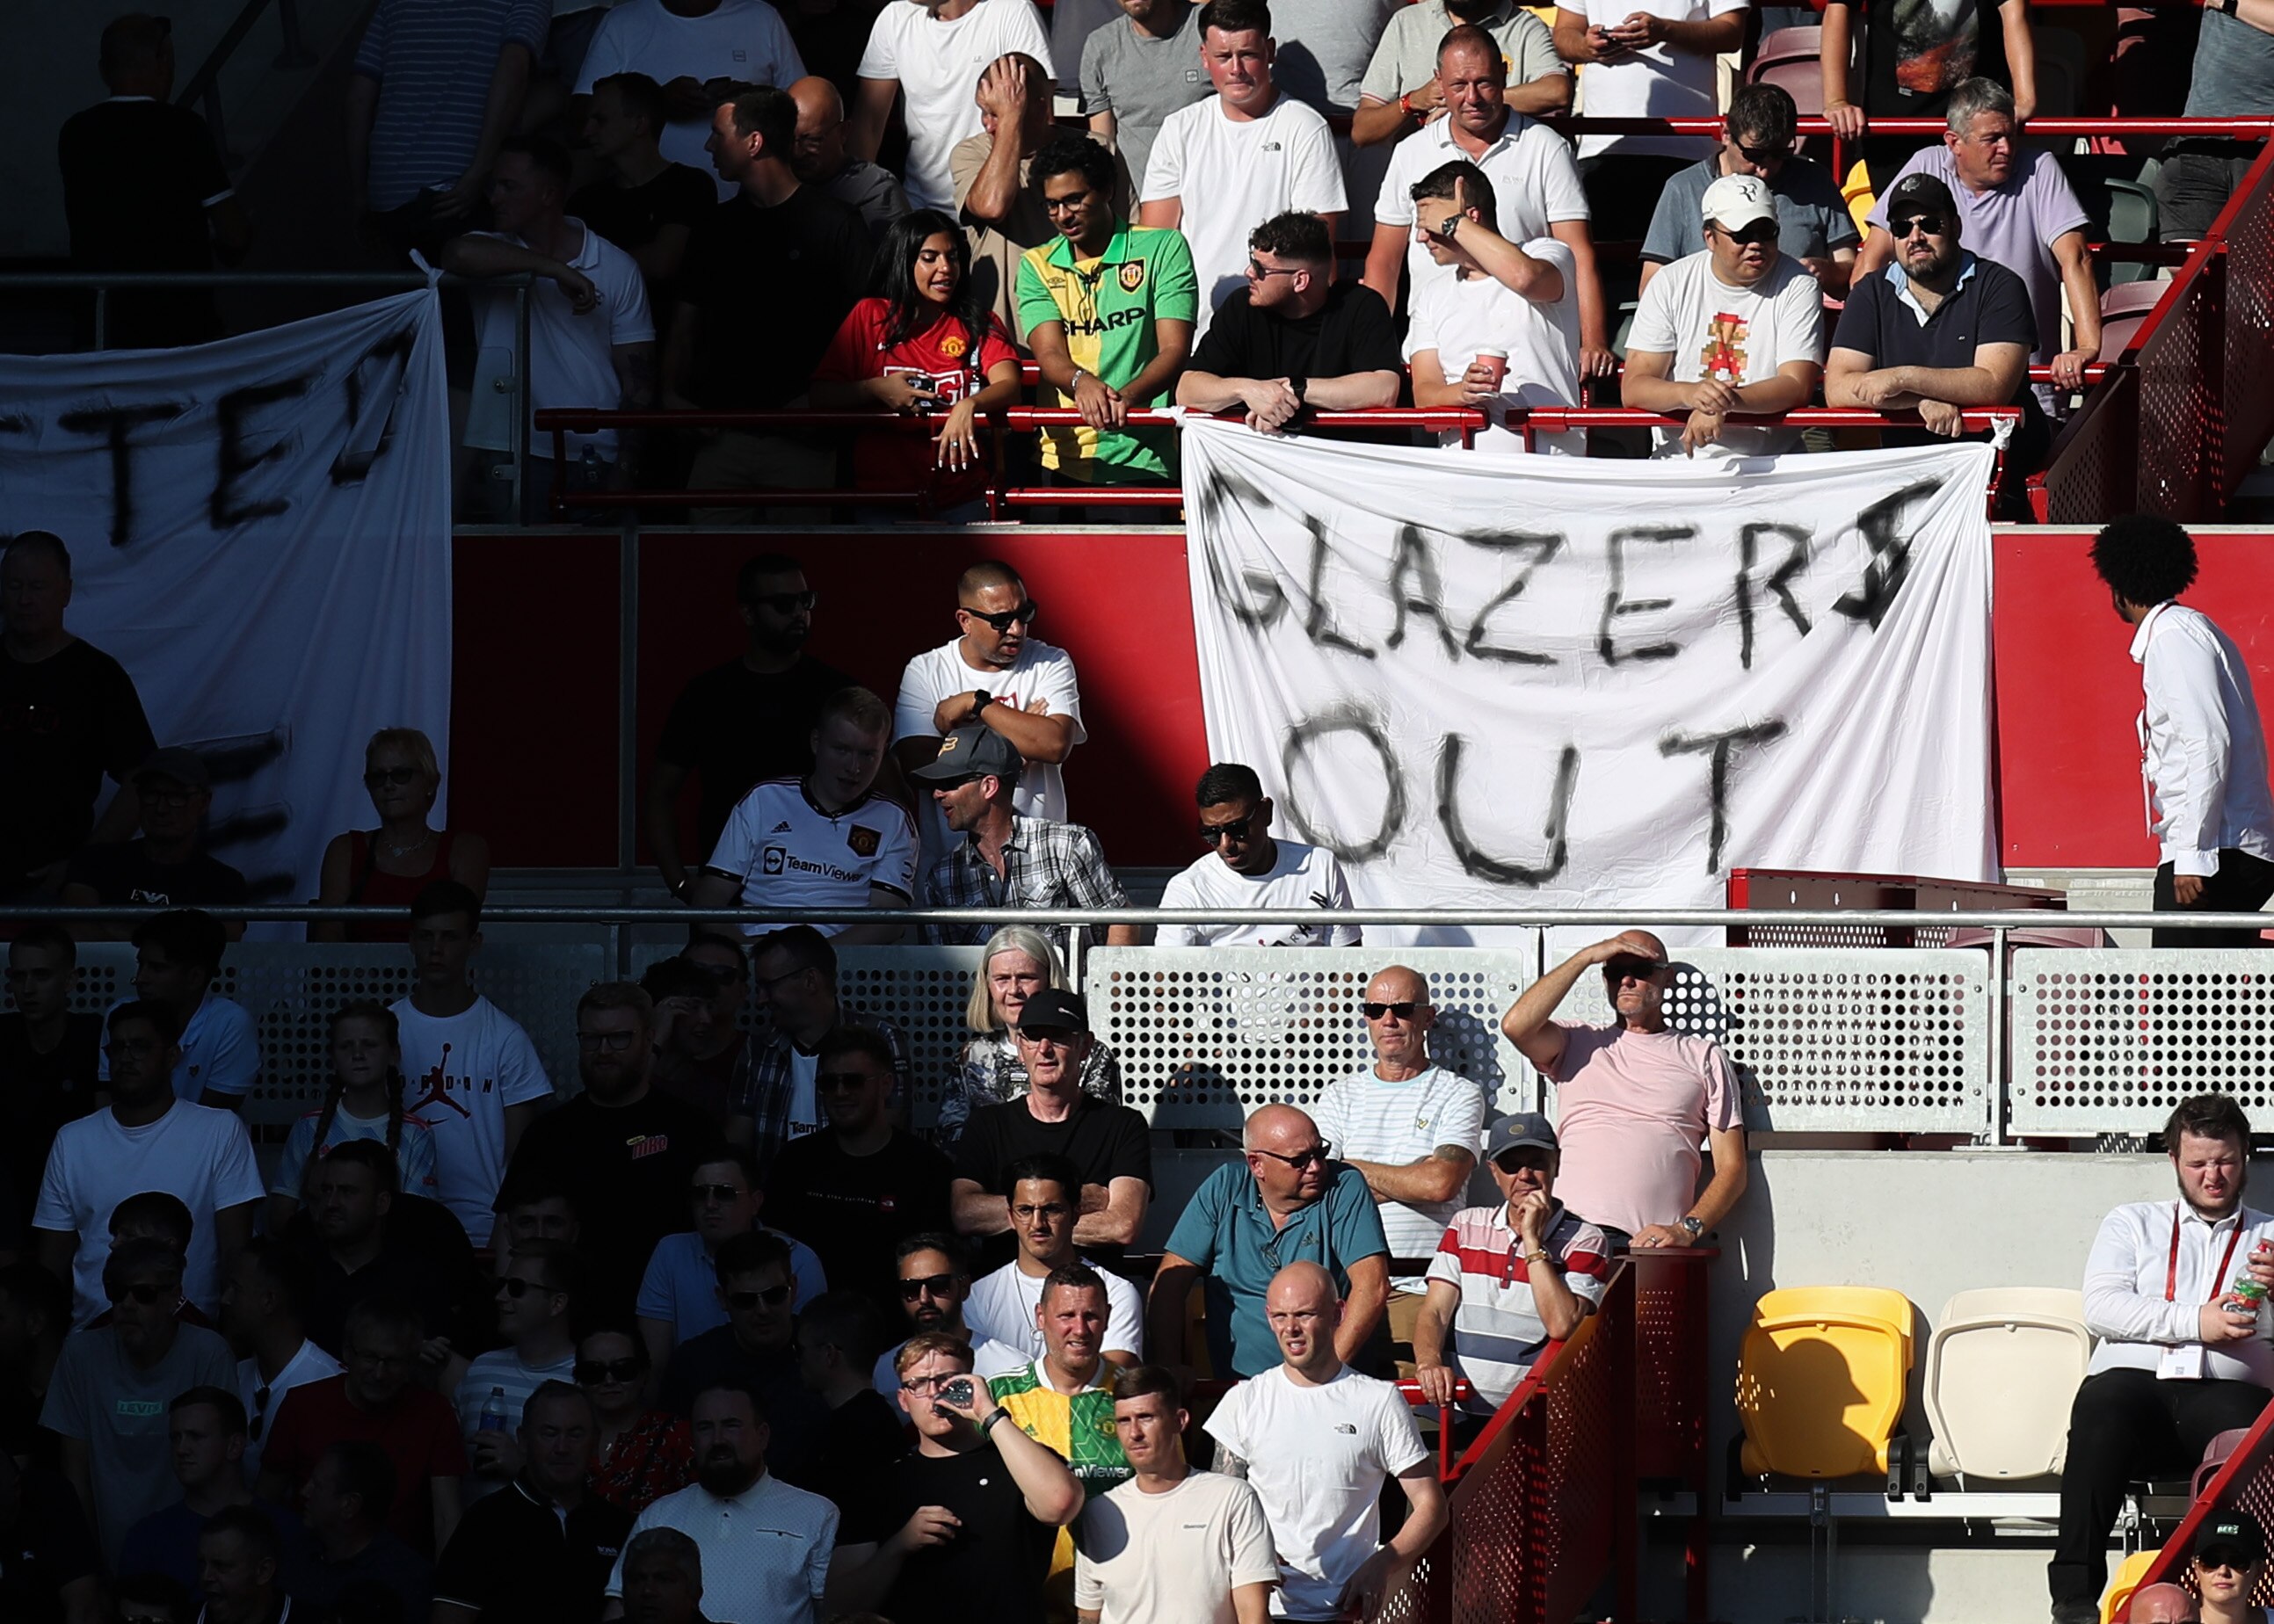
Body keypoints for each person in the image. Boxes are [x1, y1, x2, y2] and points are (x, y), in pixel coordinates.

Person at [2046, 1096, 2274, 1623]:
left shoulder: (2269, 1234)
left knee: (2253, 1437)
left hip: (2227, 1392)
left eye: (2226, 1161)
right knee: (2101, 1407)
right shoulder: (2132, 1223)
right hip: (2135, 1388)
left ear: (2246, 1159)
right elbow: (2101, 1307)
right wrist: (2199, 1322)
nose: (2212, 1176)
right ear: (2173, 1161)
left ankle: (2242, 1604)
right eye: (2197, 1163)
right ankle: (2074, 1600)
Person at [666, 87, 871, 520]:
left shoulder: (838, 225)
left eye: (718, 135)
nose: (708, 146)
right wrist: (672, 398)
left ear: (754, 142)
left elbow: (866, 333)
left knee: (799, 570)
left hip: (804, 441)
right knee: (709, 571)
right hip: (720, 438)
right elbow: (685, 323)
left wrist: (822, 408)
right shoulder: (715, 229)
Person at [1205, 1263, 1447, 1621]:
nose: (1291, 1329)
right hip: (1262, 1611)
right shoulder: (1244, 1401)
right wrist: (1250, 1555)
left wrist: (1383, 1563)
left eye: (1305, 1314)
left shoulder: (1378, 1401)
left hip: (1349, 1611)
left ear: (1338, 1313)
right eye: (1281, 1316)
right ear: (1268, 1317)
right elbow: (1218, 1507)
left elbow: (1432, 1506)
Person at [1361, 26, 1604, 375]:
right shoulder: (1410, 152)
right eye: (1459, 85)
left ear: (1505, 76)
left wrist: (1593, 342)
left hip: (1525, 352)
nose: (1472, 97)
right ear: (1438, 83)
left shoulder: (1546, 148)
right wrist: (1372, 353)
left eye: (1484, 82)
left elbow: (1577, 252)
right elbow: (1384, 260)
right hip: (1435, 352)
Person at [437, 137, 657, 518]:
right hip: (512, 453)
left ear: (548, 195)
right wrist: (552, 269)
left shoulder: (616, 266)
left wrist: (624, 468)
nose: (494, 198)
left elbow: (638, 379)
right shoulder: (488, 248)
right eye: (493, 186)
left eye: (509, 187)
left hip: (594, 454)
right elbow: (457, 254)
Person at [1501, 930, 1747, 1249]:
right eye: (1616, 972)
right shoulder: (1578, 1041)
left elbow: (1733, 1167)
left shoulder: (1703, 1056)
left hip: (1651, 1245)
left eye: (1642, 970)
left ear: (1666, 978)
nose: (1627, 981)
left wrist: (1687, 1229)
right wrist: (1588, 955)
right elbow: (1516, 1026)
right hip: (1568, 1240)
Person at [2094, 515, 2274, 942]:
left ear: (2118, 587)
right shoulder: (2186, 630)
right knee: (2210, 1001)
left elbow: (2208, 744)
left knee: (2183, 998)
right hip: (2224, 847)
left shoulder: (2174, 637)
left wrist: (2192, 855)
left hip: (2218, 852)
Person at [825, 1335, 1085, 1623]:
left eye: (949, 1381)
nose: (936, 1393)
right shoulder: (881, 1484)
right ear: (904, 1400)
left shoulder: (1017, 1464)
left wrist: (988, 1412)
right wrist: (900, 1546)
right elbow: (838, 1604)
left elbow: (1062, 1502)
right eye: (919, 1383)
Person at [35, 1000, 262, 1325]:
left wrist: (228, 1344)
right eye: (117, 1047)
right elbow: (52, 1265)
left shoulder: (219, 1131)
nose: (126, 1057)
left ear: (172, 1056)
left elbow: (235, 1253)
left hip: (190, 1337)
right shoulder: (73, 1140)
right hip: (95, 1338)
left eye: (140, 1047)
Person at [502, 983, 723, 1317]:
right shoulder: (548, 1134)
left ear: (649, 1040)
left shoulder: (692, 1128)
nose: (603, 1051)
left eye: (619, 1038)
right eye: (592, 1039)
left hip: (669, 1312)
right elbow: (508, 1233)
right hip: (567, 1318)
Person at [648, 553, 856, 902]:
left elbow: (884, 790)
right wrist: (682, 886)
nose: (798, 613)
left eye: (805, 601)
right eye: (782, 603)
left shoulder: (836, 693)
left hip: (818, 890)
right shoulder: (706, 694)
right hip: (727, 889)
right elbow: (659, 796)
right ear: (747, 613)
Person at [1137, 0, 1345, 335]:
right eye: (1223, 57)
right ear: (1204, 57)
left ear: (1270, 51)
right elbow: (1158, 248)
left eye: (1247, 54)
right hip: (1193, 333)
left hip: (1280, 335)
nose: (1236, 68)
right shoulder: (1178, 129)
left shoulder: (1306, 127)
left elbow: (1316, 253)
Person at [1310, 966, 1486, 1357]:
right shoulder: (1338, 1097)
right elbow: (1316, 1188)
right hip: (1345, 1291)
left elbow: (1440, 1183)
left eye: (1402, 1009)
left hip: (1422, 1289)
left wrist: (1349, 1171)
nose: (1388, 1020)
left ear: (1427, 1017)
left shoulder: (1459, 1094)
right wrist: (1412, 1173)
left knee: (1416, 1414)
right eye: (1375, 1009)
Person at [808, 208, 1025, 522]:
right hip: (881, 501)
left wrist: (969, 405)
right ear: (903, 261)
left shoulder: (979, 321)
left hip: (962, 498)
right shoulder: (869, 315)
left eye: (952, 257)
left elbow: (1010, 385)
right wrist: (876, 389)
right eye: (929, 257)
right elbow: (821, 395)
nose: (945, 268)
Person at [1149, 1106, 1391, 1380]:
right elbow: (1170, 1282)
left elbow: (1373, 1285)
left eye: (1319, 1153)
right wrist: (1167, 1369)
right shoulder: (1223, 1188)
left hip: (1332, 1388)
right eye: (1299, 1160)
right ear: (1256, 1164)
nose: (1315, 1167)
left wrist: (1322, 1376)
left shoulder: (1343, 1185)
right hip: (1241, 1394)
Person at [1017, 133, 1196, 495]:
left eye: (1074, 200)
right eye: (1051, 205)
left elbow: (1174, 351)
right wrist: (1080, 382)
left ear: (1107, 190)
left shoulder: (1164, 248)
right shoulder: (1035, 264)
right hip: (1063, 459)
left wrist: (1125, 401)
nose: (1062, 216)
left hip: (1147, 456)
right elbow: (1049, 354)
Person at [57, 16, 251, 351]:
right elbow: (233, 231)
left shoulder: (76, 133)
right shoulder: (184, 130)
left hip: (103, 325)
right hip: (180, 324)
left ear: (104, 70)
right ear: (163, 63)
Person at [43, 1239, 236, 1568]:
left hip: (190, 1559)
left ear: (175, 1296)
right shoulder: (81, 1355)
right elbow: (75, 1471)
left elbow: (221, 1470)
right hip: (104, 1556)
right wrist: (89, 1565)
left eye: (144, 1294)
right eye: (118, 1292)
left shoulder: (208, 1352)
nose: (127, 1304)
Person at [1826, 170, 2045, 457]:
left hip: (2002, 471)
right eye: (1902, 228)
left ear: (1955, 227)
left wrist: (1903, 377)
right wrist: (1918, 401)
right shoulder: (1870, 292)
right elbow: (1838, 389)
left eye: (1929, 224)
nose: (1915, 237)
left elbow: (1994, 385)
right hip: (1908, 472)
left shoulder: (2001, 286)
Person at [387, 882, 553, 1246]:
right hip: (395, 1226)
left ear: (473, 943)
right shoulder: (383, 1033)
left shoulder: (506, 1038)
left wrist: (503, 1228)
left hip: (482, 1228)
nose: (436, 949)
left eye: (449, 937)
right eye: (427, 937)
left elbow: (520, 1155)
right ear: (412, 941)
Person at [1413, 1113, 1608, 1418]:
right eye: (1511, 1165)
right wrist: (1428, 1364)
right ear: (1493, 1171)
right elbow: (1435, 1311)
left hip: (1532, 1419)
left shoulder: (1586, 1239)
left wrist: (1532, 1241)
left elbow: (1561, 1324)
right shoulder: (1465, 1225)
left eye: (1536, 1162)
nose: (1525, 1175)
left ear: (1556, 1163)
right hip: (1455, 1410)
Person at [1621, 171, 1825, 460]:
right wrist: (1692, 395)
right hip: (1678, 462)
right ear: (1710, 237)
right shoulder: (1670, 281)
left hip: (1773, 464)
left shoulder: (1799, 284)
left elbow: (1796, 385)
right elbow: (1635, 386)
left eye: (1766, 232)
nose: (1756, 244)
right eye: (1742, 234)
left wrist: (1721, 403)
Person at [687, 686, 918, 941]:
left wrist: (813, 961)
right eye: (842, 749)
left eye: (867, 754)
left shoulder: (894, 820)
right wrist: (752, 957)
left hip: (844, 968)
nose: (854, 767)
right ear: (816, 742)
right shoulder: (764, 800)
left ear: (883, 753)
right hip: (758, 959)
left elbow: (889, 921)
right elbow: (709, 903)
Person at [892, 561, 1088, 857]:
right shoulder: (926, 671)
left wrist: (979, 703)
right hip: (953, 864)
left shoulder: (1051, 661)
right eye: (1001, 620)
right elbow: (919, 768)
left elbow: (1055, 744)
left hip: (1039, 861)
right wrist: (1019, 750)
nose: (1017, 629)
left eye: (1025, 613)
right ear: (965, 620)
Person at [0, 530, 155, 901]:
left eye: (37, 587)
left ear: (66, 592)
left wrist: (84, 862)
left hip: (48, 885)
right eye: (14, 586)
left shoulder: (96, 676)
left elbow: (142, 778)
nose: (24, 600)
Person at [606, 1380, 839, 1623]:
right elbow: (621, 1605)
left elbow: (831, 1614)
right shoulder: (659, 1516)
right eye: (705, 1427)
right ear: (692, 1438)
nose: (718, 1440)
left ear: (762, 1436)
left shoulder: (815, 1514)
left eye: (731, 1426)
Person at [949, 990, 1152, 1267]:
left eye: (1058, 1036)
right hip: (1004, 1298)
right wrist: (1074, 1202)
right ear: (1020, 1048)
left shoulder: (1123, 1125)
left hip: (1093, 1296)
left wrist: (1016, 1217)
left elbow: (1122, 1225)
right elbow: (965, 1213)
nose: (1044, 1049)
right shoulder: (987, 1125)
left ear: (1085, 1047)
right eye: (1033, 1036)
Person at [766, 1027, 955, 1319]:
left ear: (887, 1085)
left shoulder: (926, 1168)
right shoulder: (794, 1162)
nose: (840, 1093)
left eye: (853, 1081)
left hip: (894, 1340)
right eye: (829, 1083)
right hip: (807, 1334)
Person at [257, 1294, 468, 1555]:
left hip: (399, 1575)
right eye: (370, 1357)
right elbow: (266, 1500)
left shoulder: (435, 1413)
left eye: (393, 1362)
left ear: (412, 1362)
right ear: (347, 1352)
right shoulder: (302, 1405)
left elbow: (448, 1518)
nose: (379, 1374)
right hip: (309, 1563)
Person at [1074, 1364, 1279, 1624]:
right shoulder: (1099, 1512)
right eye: (1124, 1421)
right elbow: (1088, 1616)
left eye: (1146, 1417)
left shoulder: (1232, 1498)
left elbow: (1253, 1615)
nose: (1134, 1433)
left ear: (1179, 1420)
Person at [1402, 161, 1581, 453]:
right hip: (1466, 473)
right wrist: (1462, 392)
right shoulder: (1431, 296)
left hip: (1548, 469)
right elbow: (1424, 395)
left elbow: (1526, 279)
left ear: (1470, 217)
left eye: (1431, 227)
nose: (1421, 238)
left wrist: (1456, 225)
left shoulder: (1547, 252)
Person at [346, 0, 550, 250]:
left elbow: (358, 98)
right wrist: (480, 170)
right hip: (461, 192)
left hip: (388, 190)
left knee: (413, 286)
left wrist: (361, 195)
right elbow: (514, 69)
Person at [988, 1265, 1133, 1613]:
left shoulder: (1135, 1396)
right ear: (1041, 1316)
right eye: (1066, 1315)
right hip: (1022, 1600)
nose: (1079, 1329)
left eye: (1091, 1316)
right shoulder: (999, 1397)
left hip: (1118, 1600)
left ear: (1109, 1317)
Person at [1176, 211, 1402, 432]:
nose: (1248, 273)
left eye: (1261, 269)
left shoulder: (1361, 306)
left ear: (1300, 281)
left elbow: (1384, 389)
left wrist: (1293, 390)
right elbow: (1188, 388)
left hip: (1343, 458)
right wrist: (1246, 390)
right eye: (1252, 262)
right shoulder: (1241, 307)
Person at [917, 729, 1140, 950]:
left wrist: (1101, 985)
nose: (937, 794)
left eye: (949, 783)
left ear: (989, 786)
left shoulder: (1067, 845)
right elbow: (943, 974)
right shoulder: (941, 876)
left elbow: (1120, 921)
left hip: (1067, 987)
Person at [432, 1381, 632, 1624]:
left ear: (595, 1442)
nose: (562, 1447)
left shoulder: (616, 1526)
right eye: (549, 1433)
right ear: (523, 1440)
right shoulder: (486, 1522)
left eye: (575, 1434)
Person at [1639, 82, 1859, 296]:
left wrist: (1826, 271)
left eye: (1780, 155)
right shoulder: (1683, 188)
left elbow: (1850, 268)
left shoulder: (1814, 179)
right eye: (1754, 155)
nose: (1764, 169)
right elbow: (1651, 287)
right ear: (1726, 134)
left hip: (1791, 320)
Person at [1551, 0, 1745, 243]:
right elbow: (1563, 35)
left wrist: (1666, 30)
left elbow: (1732, 33)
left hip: (1686, 149)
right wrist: (1586, 46)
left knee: (1683, 269)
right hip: (1604, 147)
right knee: (1613, 268)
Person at [573, 0, 809, 199]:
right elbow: (579, 117)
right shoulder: (624, 22)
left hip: (751, 209)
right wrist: (657, 102)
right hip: (647, 208)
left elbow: (803, 109)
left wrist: (751, 101)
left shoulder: (761, 18)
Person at [730, 926, 913, 1168]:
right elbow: (736, 1150)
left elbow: (889, 1140)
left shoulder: (881, 1037)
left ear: (810, 981)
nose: (761, 999)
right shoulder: (758, 1050)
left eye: (769, 986)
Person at [853, 0, 1058, 213]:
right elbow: (868, 125)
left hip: (1002, 209)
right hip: (921, 211)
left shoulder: (1013, 11)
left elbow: (1041, 119)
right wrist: (856, 205)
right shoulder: (894, 17)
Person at [655, 1234, 830, 1483]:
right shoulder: (692, 1364)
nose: (762, 1310)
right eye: (746, 1300)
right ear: (723, 1299)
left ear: (794, 1288)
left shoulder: (826, 1357)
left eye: (774, 1295)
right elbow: (669, 1459)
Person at [292, 1140, 485, 1362]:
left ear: (382, 1203)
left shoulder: (418, 1279)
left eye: (347, 1192)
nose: (331, 1202)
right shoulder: (296, 1271)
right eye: (326, 1190)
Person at [1820, 0, 2038, 194]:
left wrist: (2025, 98)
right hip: (1894, 129)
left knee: (1978, 227)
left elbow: (2015, 11)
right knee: (1905, 228)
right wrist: (1837, 101)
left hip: (1974, 124)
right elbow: (1838, 9)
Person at [636, 1149, 827, 1366]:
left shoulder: (800, 1261)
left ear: (756, 1202)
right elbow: (655, 1365)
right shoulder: (670, 1253)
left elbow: (812, 1361)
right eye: (700, 1194)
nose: (710, 1204)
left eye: (724, 1193)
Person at [943, 927, 1127, 1147]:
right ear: (987, 986)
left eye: (1025, 978)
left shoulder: (1090, 1054)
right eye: (1002, 979)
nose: (1013, 990)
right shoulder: (971, 1056)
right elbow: (951, 1139)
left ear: (1049, 979)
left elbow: (1101, 1137)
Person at [956, 54, 1097, 339]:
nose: (988, 125)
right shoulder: (971, 154)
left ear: (1041, 108)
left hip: (1088, 329)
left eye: (999, 112)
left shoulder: (1096, 152)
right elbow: (992, 206)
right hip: (1004, 344)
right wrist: (1010, 119)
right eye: (985, 111)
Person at [268, 1004, 440, 1234]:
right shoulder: (307, 1127)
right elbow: (282, 1215)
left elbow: (419, 1223)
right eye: (346, 1046)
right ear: (333, 1057)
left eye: (369, 1044)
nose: (358, 1054)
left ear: (394, 1054)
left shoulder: (417, 1134)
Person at [313, 730, 491, 944]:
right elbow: (328, 937)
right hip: (356, 975)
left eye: (401, 774)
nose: (388, 785)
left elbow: (457, 938)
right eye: (378, 777)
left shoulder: (465, 851)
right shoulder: (345, 850)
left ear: (430, 782)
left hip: (435, 976)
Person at [118, 1388, 304, 1592]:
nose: (181, 1449)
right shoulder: (148, 1537)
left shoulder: (284, 1530)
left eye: (195, 1436)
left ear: (234, 1446)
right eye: (175, 1438)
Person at [966, 1155, 1144, 1366]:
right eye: (1025, 1210)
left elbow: (1112, 1382)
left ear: (1075, 1214)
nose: (1038, 1223)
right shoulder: (976, 1298)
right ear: (1010, 1217)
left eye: (1051, 1210)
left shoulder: (1116, 1292)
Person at [570, 72, 720, 318]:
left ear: (639, 123)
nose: (587, 131)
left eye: (600, 120)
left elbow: (662, 263)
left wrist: (586, 268)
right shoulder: (585, 201)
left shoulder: (688, 186)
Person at [1157, 764, 1356, 947]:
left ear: (1265, 812)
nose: (1225, 844)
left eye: (1237, 829)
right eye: (1211, 834)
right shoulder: (1188, 889)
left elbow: (1349, 965)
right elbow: (1166, 978)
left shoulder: (1320, 866)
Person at [59, 749, 249, 932]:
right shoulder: (93, 862)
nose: (161, 808)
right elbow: (77, 929)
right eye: (152, 794)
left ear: (204, 802)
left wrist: (113, 928)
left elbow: (221, 946)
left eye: (176, 796)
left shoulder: (224, 883)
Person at [455, 1242, 582, 1502]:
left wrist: (522, 1470)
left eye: (516, 1288)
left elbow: (597, 1489)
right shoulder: (481, 1369)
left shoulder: (587, 1378)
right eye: (501, 1285)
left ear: (557, 1303)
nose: (500, 1297)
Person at [1353, 0, 1567, 149]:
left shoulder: (1525, 27)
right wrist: (1412, 101)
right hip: (1422, 181)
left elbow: (1557, 91)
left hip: (1503, 174)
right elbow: (1363, 131)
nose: (1471, 96)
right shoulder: (1406, 23)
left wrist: (1461, 103)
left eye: (1485, 81)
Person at [101, 909, 258, 1110]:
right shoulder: (123, 1015)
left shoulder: (229, 1024)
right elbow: (109, 1105)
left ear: (194, 978)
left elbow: (213, 1122)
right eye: (141, 965)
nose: (141, 978)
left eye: (157, 968)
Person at [0, 924, 102, 1231]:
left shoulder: (95, 1037)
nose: (28, 988)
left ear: (70, 980)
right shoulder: (4, 1037)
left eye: (41, 975)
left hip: (79, 1188)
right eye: (19, 976)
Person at [220, 1240, 341, 1483]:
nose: (225, 1299)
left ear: (269, 1301)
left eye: (236, 1288)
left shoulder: (329, 1382)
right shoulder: (233, 1374)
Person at [2157, 5, 2274, 246]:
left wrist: (2228, 2)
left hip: (2264, 139)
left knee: (2257, 268)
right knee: (2184, 260)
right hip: (2199, 132)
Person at [1079, 0, 1212, 193]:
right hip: (1142, 205)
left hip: (1212, 192)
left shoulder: (1212, 27)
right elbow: (1104, 145)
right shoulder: (1100, 46)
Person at [794, 1290, 908, 1514]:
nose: (797, 1359)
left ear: (829, 1354)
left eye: (800, 1349)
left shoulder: (850, 1436)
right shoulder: (881, 1421)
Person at [873, 1234, 1032, 1394]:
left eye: (939, 1285)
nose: (924, 1298)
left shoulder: (1013, 1369)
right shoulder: (885, 1372)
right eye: (911, 1289)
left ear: (964, 1287)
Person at [296, 1441, 433, 1621]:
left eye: (317, 1486)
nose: (304, 1491)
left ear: (349, 1505)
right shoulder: (296, 1551)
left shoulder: (406, 1580)